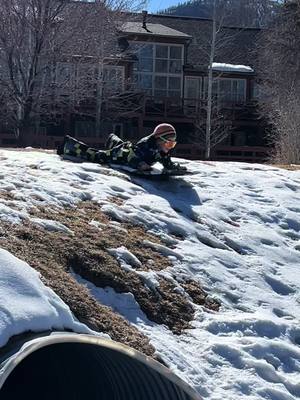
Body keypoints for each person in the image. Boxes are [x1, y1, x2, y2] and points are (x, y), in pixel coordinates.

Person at [58, 123, 186, 172]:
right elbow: (133, 157)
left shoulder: (161, 150)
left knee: (119, 144)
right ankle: (67, 145)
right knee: (98, 156)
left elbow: (165, 161)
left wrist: (172, 167)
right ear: (159, 140)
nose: (170, 147)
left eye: (173, 144)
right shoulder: (146, 145)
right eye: (169, 143)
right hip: (122, 155)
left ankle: (112, 140)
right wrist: (140, 164)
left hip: (126, 148)